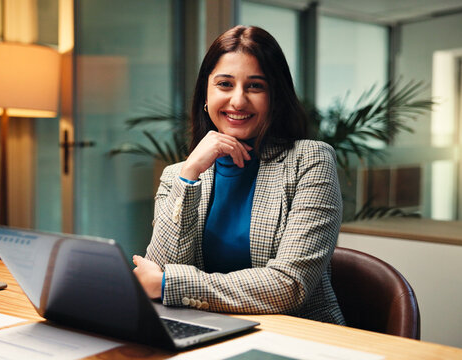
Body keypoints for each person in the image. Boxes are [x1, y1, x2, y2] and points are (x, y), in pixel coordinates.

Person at [132, 25, 345, 325]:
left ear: (275, 97)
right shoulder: (177, 176)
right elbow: (157, 270)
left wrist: (171, 284)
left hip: (299, 339)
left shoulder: (310, 161)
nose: (238, 101)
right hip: (207, 332)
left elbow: (289, 286)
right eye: (225, 84)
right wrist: (190, 173)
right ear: (206, 93)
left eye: (255, 86)